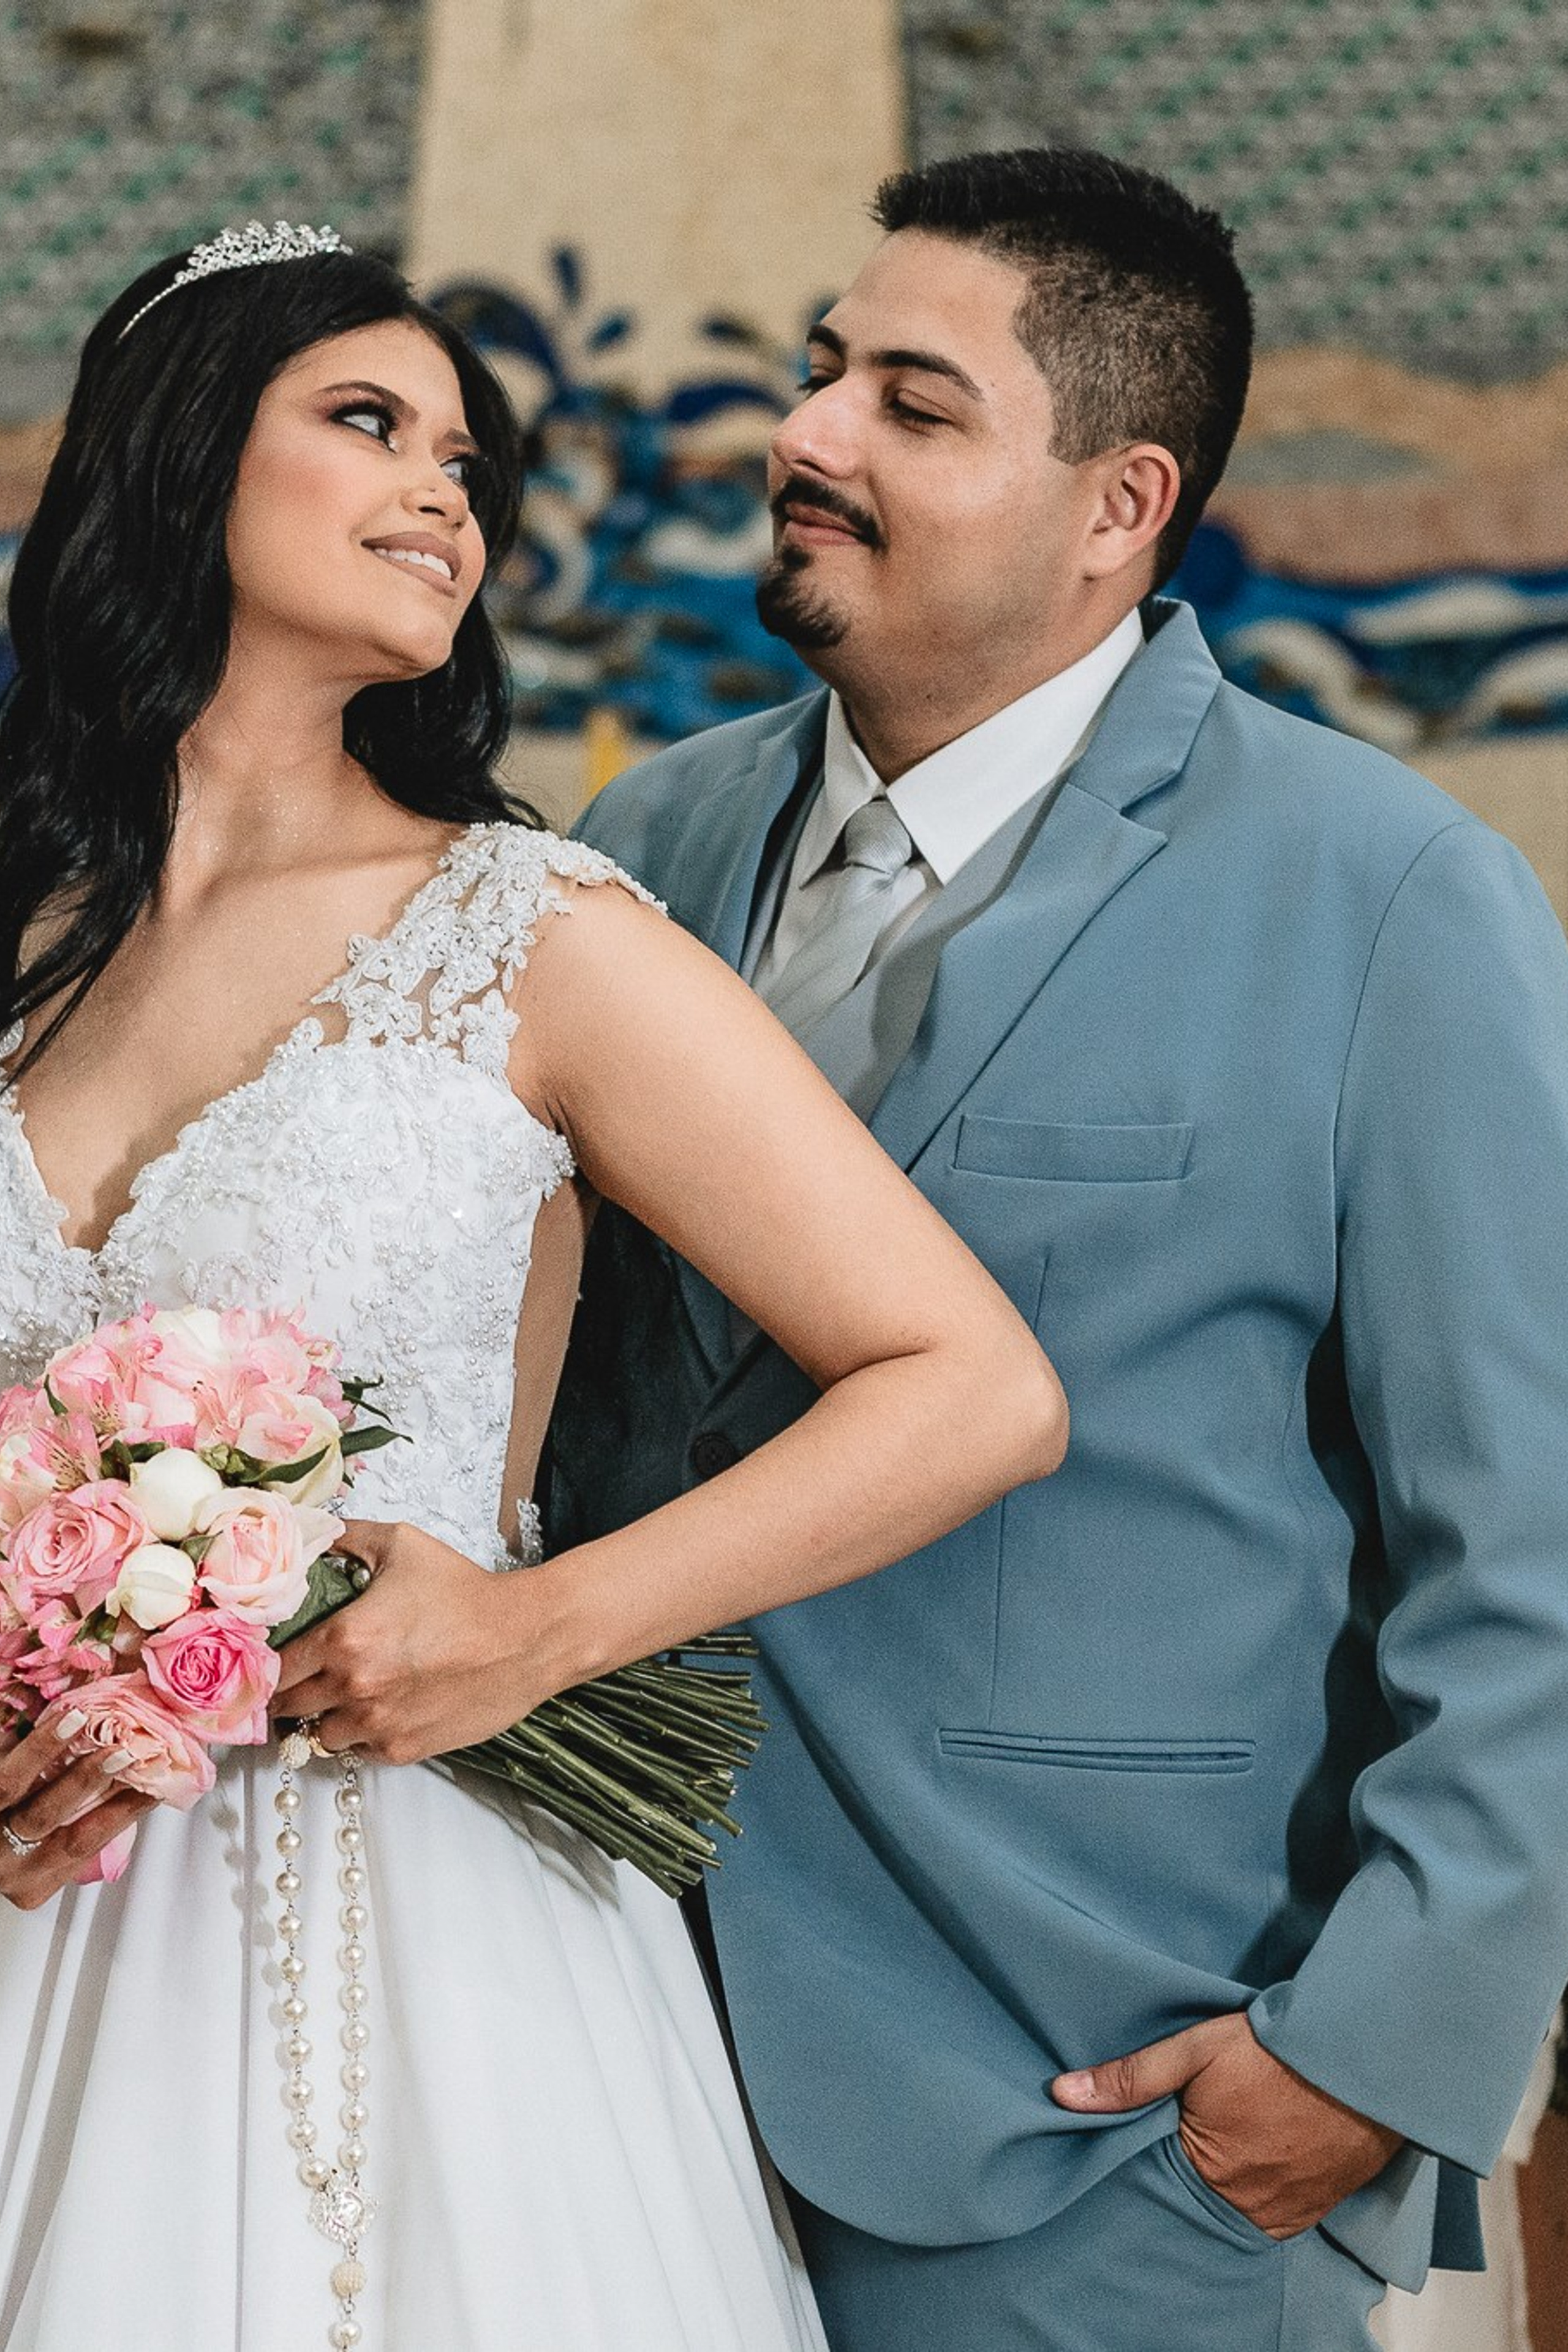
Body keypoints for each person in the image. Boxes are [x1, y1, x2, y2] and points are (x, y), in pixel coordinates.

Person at [0, 225, 1066, 2351]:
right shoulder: (21, 929)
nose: (445, 501)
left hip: (421, 1922)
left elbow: (972, 1386)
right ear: (180, 453)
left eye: (472, 467)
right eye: (369, 424)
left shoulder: (537, 930)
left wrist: (527, 1627)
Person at [548, 146, 1568, 2352]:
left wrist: (1368, 2056)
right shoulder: (645, 846)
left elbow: (1531, 1550)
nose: (808, 437)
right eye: (824, 374)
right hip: (601, 2052)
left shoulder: (1392, 902)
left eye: (913, 403)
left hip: (1096, 2119)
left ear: (1119, 505)